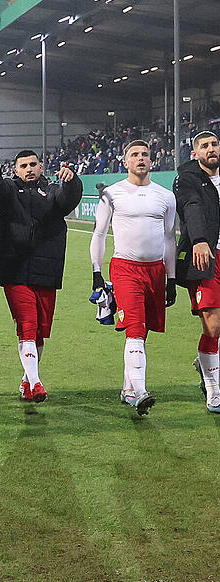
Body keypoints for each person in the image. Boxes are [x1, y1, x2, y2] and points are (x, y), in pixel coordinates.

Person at [0, 151, 82, 402]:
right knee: (27, 325)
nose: (28, 169)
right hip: (14, 270)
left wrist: (72, 181)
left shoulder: (52, 191)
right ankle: (37, 383)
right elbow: (1, 195)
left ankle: (27, 381)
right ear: (15, 170)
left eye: (33, 165)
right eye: (23, 166)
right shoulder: (8, 189)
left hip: (46, 271)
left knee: (39, 331)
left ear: (41, 167)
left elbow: (67, 200)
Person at [90, 140, 176, 415]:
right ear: (125, 162)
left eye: (145, 155)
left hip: (156, 271)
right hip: (125, 268)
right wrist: (96, 272)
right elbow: (99, 234)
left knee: (143, 330)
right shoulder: (112, 194)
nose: (141, 159)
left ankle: (129, 388)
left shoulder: (165, 196)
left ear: (152, 161)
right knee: (135, 327)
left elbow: (169, 239)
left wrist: (171, 278)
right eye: (135, 155)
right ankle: (140, 391)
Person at [173, 131, 220, 413]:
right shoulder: (188, 178)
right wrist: (200, 240)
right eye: (205, 146)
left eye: (214, 144)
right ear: (195, 153)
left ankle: (206, 362)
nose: (211, 149)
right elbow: (191, 208)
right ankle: (213, 386)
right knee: (213, 325)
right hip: (206, 257)